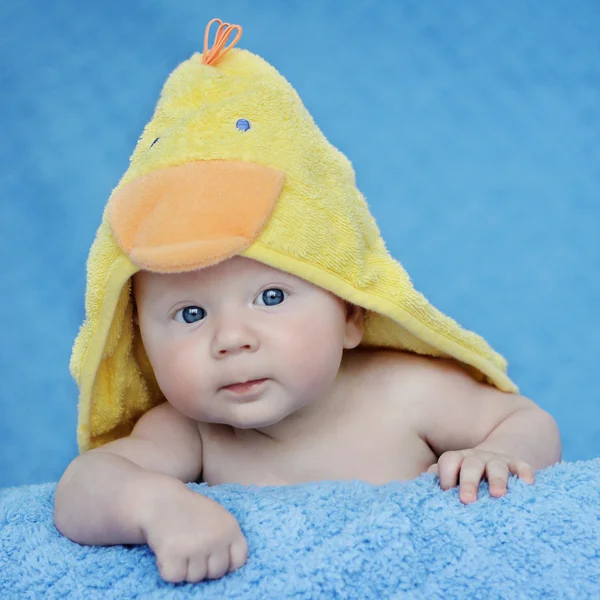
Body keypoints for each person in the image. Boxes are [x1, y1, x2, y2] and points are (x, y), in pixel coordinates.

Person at [54, 18, 562, 584]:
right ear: (139, 336)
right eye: (190, 314)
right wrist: (153, 505)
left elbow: (526, 419)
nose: (231, 338)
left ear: (351, 313)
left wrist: (500, 453)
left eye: (271, 296)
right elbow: (81, 488)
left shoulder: (403, 391)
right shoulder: (188, 430)